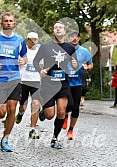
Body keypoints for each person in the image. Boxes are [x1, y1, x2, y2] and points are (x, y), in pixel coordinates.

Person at [0, 12, 27, 152]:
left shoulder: (20, 40)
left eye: (11, 21)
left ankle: (5, 139)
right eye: (6, 21)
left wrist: (23, 60)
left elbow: (25, 57)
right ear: (2, 24)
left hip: (14, 78)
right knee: (1, 111)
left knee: (12, 108)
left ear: (14, 24)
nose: (8, 23)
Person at [33, 21, 76, 149]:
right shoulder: (46, 46)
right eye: (55, 27)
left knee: (62, 112)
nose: (58, 29)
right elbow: (36, 61)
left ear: (64, 31)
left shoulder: (70, 47)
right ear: (53, 31)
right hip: (48, 84)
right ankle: (43, 112)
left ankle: (55, 138)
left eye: (60, 27)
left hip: (63, 83)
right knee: (50, 115)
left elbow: (75, 63)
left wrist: (75, 65)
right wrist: (40, 70)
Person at [63, 30, 93, 140]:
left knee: (75, 108)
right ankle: (65, 117)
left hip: (78, 83)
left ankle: (70, 130)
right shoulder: (64, 49)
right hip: (66, 82)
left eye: (76, 37)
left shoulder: (84, 51)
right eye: (72, 36)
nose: (74, 38)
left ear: (79, 39)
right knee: (68, 105)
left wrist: (87, 67)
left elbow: (90, 64)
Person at [15, 32, 41, 139]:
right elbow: (17, 61)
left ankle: (33, 129)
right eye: (31, 39)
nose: (33, 41)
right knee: (23, 106)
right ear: (27, 40)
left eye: (35, 39)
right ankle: (20, 114)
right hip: (23, 81)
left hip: (36, 81)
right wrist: (19, 62)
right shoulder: (23, 50)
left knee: (35, 104)